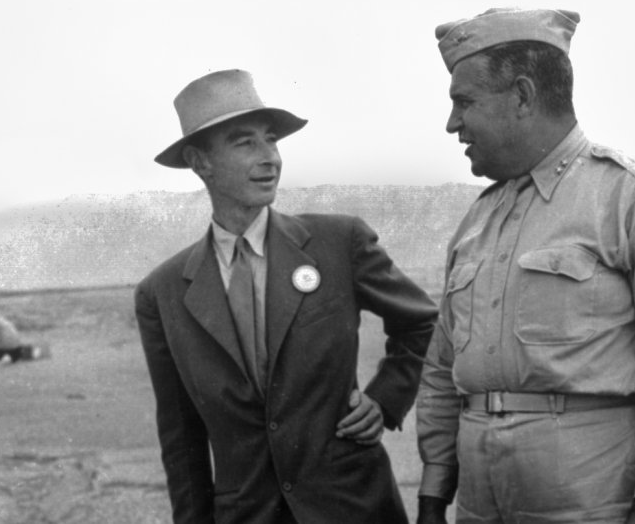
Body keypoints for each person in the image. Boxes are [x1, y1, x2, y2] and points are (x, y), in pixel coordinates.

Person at [416, 8, 635, 524]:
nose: (452, 123)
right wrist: (432, 497)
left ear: (522, 96)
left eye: (464, 102)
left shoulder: (631, 196)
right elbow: (444, 371)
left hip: (594, 503)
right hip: (480, 505)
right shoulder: (477, 220)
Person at [135, 69, 438, 523]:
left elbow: (422, 322)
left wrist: (385, 398)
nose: (269, 158)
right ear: (200, 163)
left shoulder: (338, 243)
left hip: (353, 507)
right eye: (245, 143)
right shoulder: (162, 293)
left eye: (271, 140)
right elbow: (181, 440)